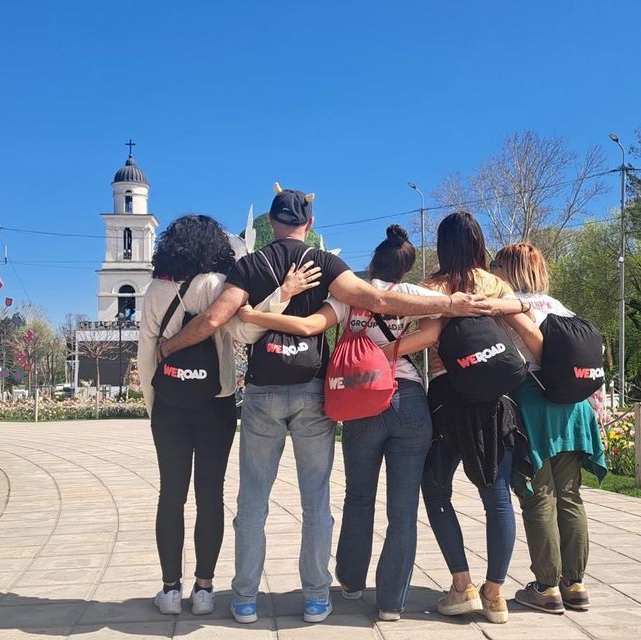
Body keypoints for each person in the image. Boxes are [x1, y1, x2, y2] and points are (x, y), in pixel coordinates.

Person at [157, 185, 491, 624]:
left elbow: (216, 319)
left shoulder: (251, 265)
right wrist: (450, 302)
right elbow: (379, 298)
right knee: (316, 500)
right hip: (314, 391)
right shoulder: (326, 264)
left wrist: (169, 347)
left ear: (271, 223)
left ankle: (244, 598)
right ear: (309, 223)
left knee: (252, 501)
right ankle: (316, 597)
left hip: (262, 393)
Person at [237, 224, 443, 622]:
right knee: (403, 509)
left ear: (371, 263)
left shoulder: (348, 297)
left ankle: (349, 583)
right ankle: (390, 604)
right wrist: (391, 352)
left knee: (358, 498)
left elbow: (311, 327)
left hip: (359, 397)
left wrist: (255, 316)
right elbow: (434, 328)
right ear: (406, 267)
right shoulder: (414, 294)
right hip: (410, 399)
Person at [137, 215, 320, 616]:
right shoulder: (221, 286)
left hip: (169, 406)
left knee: (171, 493)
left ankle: (169, 591)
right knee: (210, 494)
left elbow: (146, 356)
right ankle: (204, 590)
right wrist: (282, 294)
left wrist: (156, 408)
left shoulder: (153, 291)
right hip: (216, 403)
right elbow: (246, 333)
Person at [400, 211, 541, 625]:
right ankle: (494, 594)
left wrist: (387, 351)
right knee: (496, 494)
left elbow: (428, 336)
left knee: (436, 487)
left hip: (447, 395)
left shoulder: (431, 287)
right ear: (479, 243)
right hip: (493, 398)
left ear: (442, 246)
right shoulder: (495, 284)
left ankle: (460, 585)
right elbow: (529, 331)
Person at [491, 242, 608, 614]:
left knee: (537, 494)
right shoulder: (561, 308)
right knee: (570, 496)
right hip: (573, 408)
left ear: (507, 271)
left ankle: (546, 587)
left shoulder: (509, 308)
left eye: (496, 265)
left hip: (533, 403)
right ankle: (575, 583)